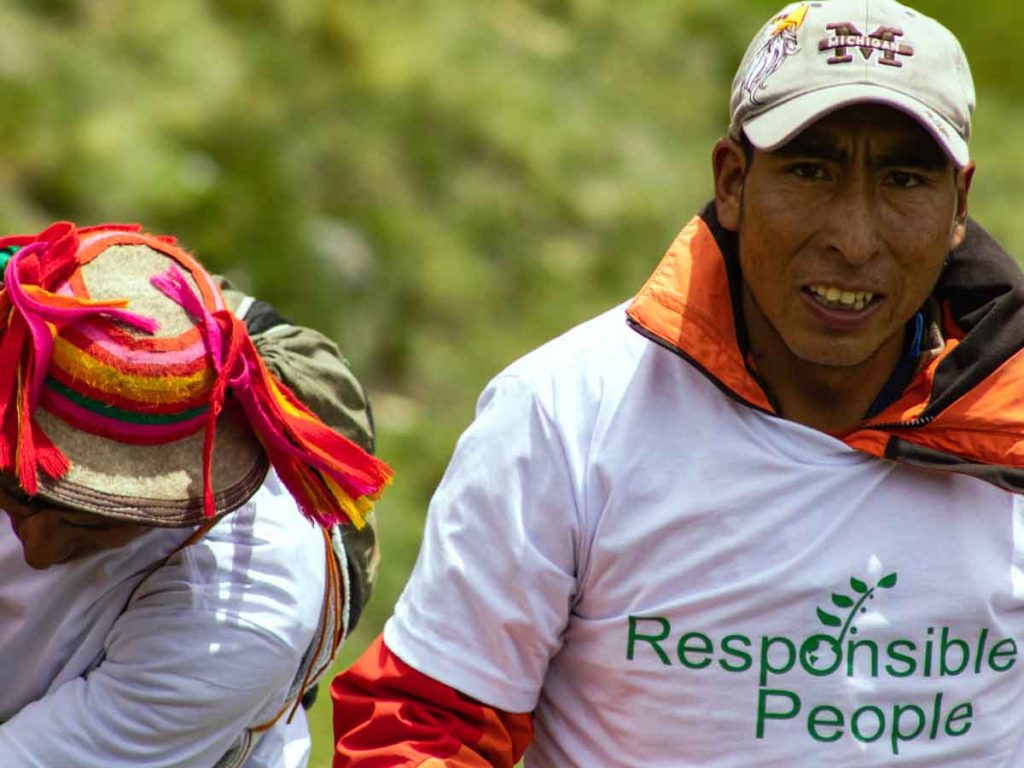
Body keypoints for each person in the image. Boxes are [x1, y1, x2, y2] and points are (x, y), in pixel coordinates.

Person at [331, 0, 1024, 764]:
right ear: (733, 181)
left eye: (902, 179)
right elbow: (425, 725)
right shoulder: (568, 416)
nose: (853, 239)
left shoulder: (1012, 432)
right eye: (810, 170)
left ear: (958, 206)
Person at [0, 221, 392, 767]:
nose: (38, 550)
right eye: (20, 499)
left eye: (94, 521)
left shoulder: (240, 611)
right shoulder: (12, 382)